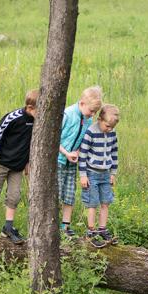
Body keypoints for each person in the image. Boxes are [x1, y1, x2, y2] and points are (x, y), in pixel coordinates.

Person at [0, 89, 39, 244]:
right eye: (39, 110)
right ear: (30, 108)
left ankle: (8, 228)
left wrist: (28, 163)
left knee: (14, 196)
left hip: (18, 166)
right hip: (1, 163)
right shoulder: (13, 118)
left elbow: (33, 145)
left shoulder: (37, 122)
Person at [58, 86, 102, 237]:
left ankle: (65, 226)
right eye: (91, 111)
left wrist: (76, 152)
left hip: (72, 161)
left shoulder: (88, 119)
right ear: (82, 103)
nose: (93, 115)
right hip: (58, 159)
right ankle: (52, 225)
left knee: (69, 193)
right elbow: (54, 137)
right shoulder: (68, 114)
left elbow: (83, 140)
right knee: (56, 193)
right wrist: (66, 152)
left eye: (95, 112)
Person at [79, 104, 119, 248]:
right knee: (92, 203)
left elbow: (114, 153)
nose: (109, 129)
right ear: (100, 119)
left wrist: (113, 173)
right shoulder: (91, 132)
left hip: (106, 174)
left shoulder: (112, 133)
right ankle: (91, 231)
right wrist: (83, 175)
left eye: (112, 127)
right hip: (92, 174)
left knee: (105, 202)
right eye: (107, 126)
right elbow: (82, 155)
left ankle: (102, 229)